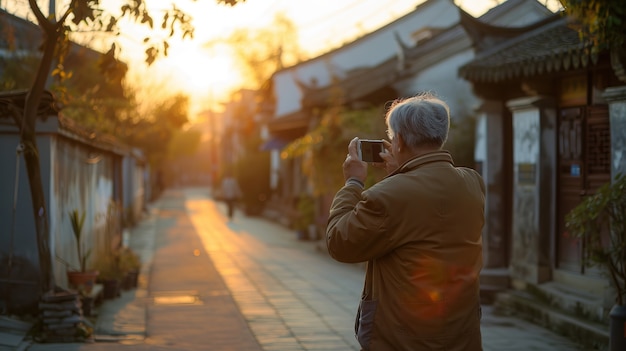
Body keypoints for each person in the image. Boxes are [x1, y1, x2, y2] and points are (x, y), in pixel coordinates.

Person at [326, 93, 485, 351]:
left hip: (404, 337)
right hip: (460, 332)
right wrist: (399, 173)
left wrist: (353, 183)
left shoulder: (387, 196)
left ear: (398, 140)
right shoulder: (472, 183)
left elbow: (339, 242)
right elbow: (425, 213)